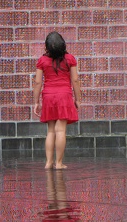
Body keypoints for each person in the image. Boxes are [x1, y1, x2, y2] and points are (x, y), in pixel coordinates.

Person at [33, 31, 81, 169]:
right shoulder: (70, 59)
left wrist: (36, 102)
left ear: (47, 47)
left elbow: (37, 83)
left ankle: (48, 162)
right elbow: (75, 80)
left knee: (50, 131)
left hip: (48, 96)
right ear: (62, 45)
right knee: (61, 131)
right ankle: (59, 163)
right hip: (64, 96)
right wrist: (78, 99)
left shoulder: (42, 61)